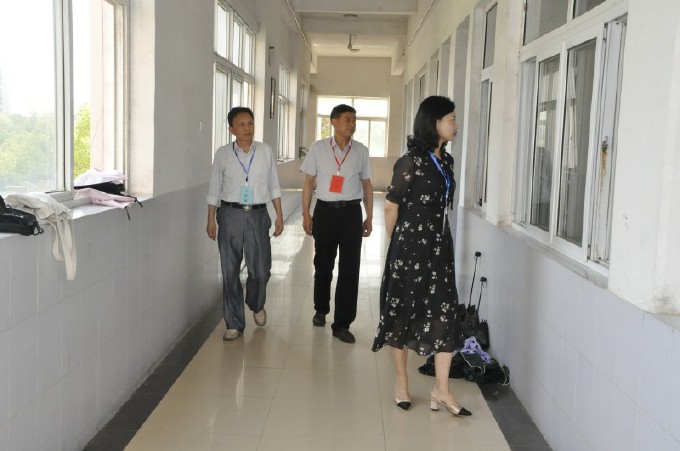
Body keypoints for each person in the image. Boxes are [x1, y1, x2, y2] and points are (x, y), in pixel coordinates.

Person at [371, 96, 471, 416]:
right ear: (434, 122)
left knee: (444, 314)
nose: (456, 124)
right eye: (451, 118)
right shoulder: (410, 161)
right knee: (402, 312)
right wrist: (398, 244)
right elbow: (391, 207)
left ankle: (441, 389)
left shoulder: (446, 161)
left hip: (440, 249)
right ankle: (401, 382)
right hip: (409, 249)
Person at [206, 107, 284, 341]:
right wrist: (210, 218)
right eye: (241, 124)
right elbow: (214, 188)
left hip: (258, 215)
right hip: (230, 214)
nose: (247, 128)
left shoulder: (265, 151)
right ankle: (234, 322)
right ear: (232, 129)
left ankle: (256, 303)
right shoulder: (222, 154)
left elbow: (274, 185)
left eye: (250, 123)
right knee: (230, 271)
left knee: (260, 270)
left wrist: (279, 215)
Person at [301, 104, 373, 344]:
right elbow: (308, 182)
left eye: (354, 120)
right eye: (347, 120)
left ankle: (342, 323)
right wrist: (306, 214)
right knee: (323, 263)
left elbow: (367, 185)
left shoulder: (361, 151)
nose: (351, 124)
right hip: (325, 212)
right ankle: (321, 309)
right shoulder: (318, 148)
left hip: (351, 213)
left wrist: (369, 216)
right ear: (333, 122)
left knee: (350, 268)